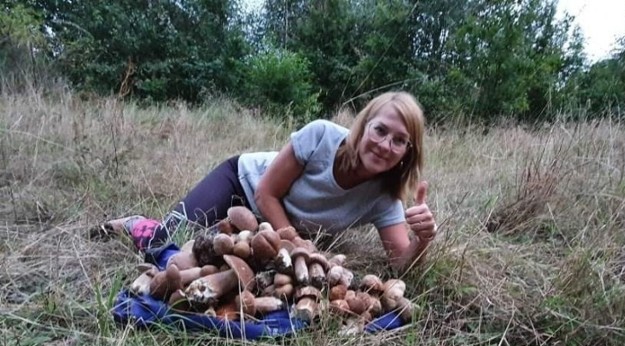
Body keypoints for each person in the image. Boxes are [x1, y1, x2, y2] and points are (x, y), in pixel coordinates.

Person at [99, 91, 437, 271]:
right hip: (242, 185)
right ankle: (136, 224)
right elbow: (266, 193)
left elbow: (399, 265)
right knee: (169, 244)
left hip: (269, 229)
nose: (385, 145)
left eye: (399, 140)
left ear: (409, 151)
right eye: (380, 130)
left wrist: (421, 240)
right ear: (364, 126)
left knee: (215, 267)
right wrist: (296, 244)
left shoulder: (385, 198)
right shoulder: (321, 136)